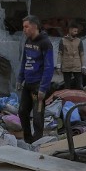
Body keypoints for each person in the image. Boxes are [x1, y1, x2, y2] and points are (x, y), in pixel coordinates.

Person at [17, 15, 54, 144]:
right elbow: (24, 61)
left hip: (38, 85)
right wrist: (20, 78)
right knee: (22, 111)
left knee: (38, 115)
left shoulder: (45, 43)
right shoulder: (28, 41)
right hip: (28, 83)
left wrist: (43, 88)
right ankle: (28, 139)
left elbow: (49, 67)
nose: (24, 30)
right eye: (23, 27)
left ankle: (37, 142)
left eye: (26, 27)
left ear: (35, 26)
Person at [57, 25, 86, 90]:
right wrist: (58, 66)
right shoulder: (63, 41)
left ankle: (79, 96)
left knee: (79, 86)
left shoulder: (79, 41)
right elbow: (60, 54)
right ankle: (68, 96)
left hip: (77, 66)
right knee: (67, 86)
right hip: (66, 66)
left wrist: (83, 66)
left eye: (77, 31)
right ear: (70, 30)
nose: (76, 33)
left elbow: (82, 54)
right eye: (74, 31)